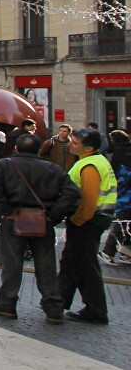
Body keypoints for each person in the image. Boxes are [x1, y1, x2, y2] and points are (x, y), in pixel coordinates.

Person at [0, 132, 80, 323]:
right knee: (46, 265)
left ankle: (7, 303)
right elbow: (72, 192)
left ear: (16, 148)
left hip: (14, 217)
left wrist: (5, 210)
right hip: (42, 219)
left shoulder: (4, 164)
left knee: (11, 263)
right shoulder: (52, 168)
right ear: (38, 149)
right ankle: (53, 308)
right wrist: (54, 214)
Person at [58, 129, 116, 324]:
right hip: (92, 220)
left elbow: (89, 201)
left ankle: (96, 309)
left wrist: (77, 220)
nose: (70, 144)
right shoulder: (94, 161)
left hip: (87, 221)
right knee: (71, 261)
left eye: (74, 142)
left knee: (85, 265)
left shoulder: (89, 165)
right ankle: (58, 301)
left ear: (88, 148)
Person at [100, 129, 131, 264]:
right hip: (125, 196)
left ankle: (122, 251)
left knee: (123, 224)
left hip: (123, 195)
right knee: (123, 224)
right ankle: (109, 251)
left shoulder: (116, 154)